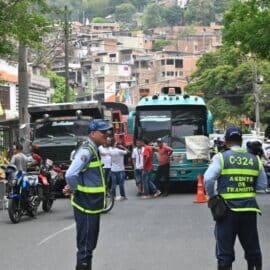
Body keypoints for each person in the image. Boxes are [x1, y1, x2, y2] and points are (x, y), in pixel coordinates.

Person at [204, 126, 267, 270]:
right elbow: (263, 185)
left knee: (225, 251)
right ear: (241, 140)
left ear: (226, 141)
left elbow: (208, 179)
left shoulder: (221, 157)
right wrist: (246, 186)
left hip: (227, 211)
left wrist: (213, 196)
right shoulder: (255, 160)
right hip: (249, 210)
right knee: (252, 248)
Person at [65, 119, 112, 270]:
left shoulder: (94, 149)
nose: (107, 134)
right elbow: (71, 174)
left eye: (107, 131)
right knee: (85, 247)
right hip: (85, 205)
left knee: (89, 246)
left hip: (91, 205)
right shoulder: (87, 150)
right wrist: (73, 189)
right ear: (93, 133)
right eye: (103, 132)